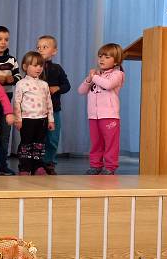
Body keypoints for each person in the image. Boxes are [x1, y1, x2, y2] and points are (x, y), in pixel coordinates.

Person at [78, 43, 125, 175]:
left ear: (116, 60)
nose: (101, 59)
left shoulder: (118, 74)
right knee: (96, 142)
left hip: (109, 116)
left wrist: (95, 77)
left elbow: (108, 85)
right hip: (93, 116)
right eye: (100, 56)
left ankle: (110, 166)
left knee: (110, 143)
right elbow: (81, 91)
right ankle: (95, 165)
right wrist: (89, 78)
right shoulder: (96, 75)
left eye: (106, 57)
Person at [13, 51, 54, 175]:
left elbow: (49, 103)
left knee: (39, 144)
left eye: (40, 66)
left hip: (42, 119)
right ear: (25, 67)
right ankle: (25, 167)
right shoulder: (21, 84)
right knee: (26, 143)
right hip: (27, 119)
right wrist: (18, 119)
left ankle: (37, 166)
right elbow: (16, 103)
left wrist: (50, 119)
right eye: (35, 65)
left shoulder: (44, 84)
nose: (38, 68)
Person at [0, 26, 21, 175]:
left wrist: (8, 79)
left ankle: (2, 165)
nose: (3, 42)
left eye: (6, 39)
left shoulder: (12, 60)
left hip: (6, 101)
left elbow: (19, 77)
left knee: (4, 135)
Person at [37, 35, 70, 174]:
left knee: (52, 138)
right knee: (38, 138)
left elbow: (67, 86)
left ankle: (49, 162)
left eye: (45, 47)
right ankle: (36, 164)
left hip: (54, 110)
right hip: (36, 111)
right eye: (38, 47)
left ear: (54, 51)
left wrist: (57, 88)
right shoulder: (34, 68)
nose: (41, 50)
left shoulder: (57, 68)